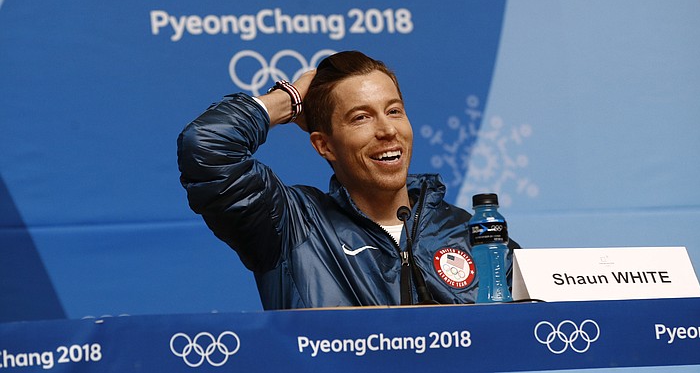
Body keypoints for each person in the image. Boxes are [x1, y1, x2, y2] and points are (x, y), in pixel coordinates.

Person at [177, 50, 514, 309]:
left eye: (394, 110)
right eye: (361, 117)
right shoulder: (291, 225)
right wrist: (290, 99)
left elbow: (540, 324)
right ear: (324, 145)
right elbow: (207, 148)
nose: (387, 130)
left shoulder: (471, 233)